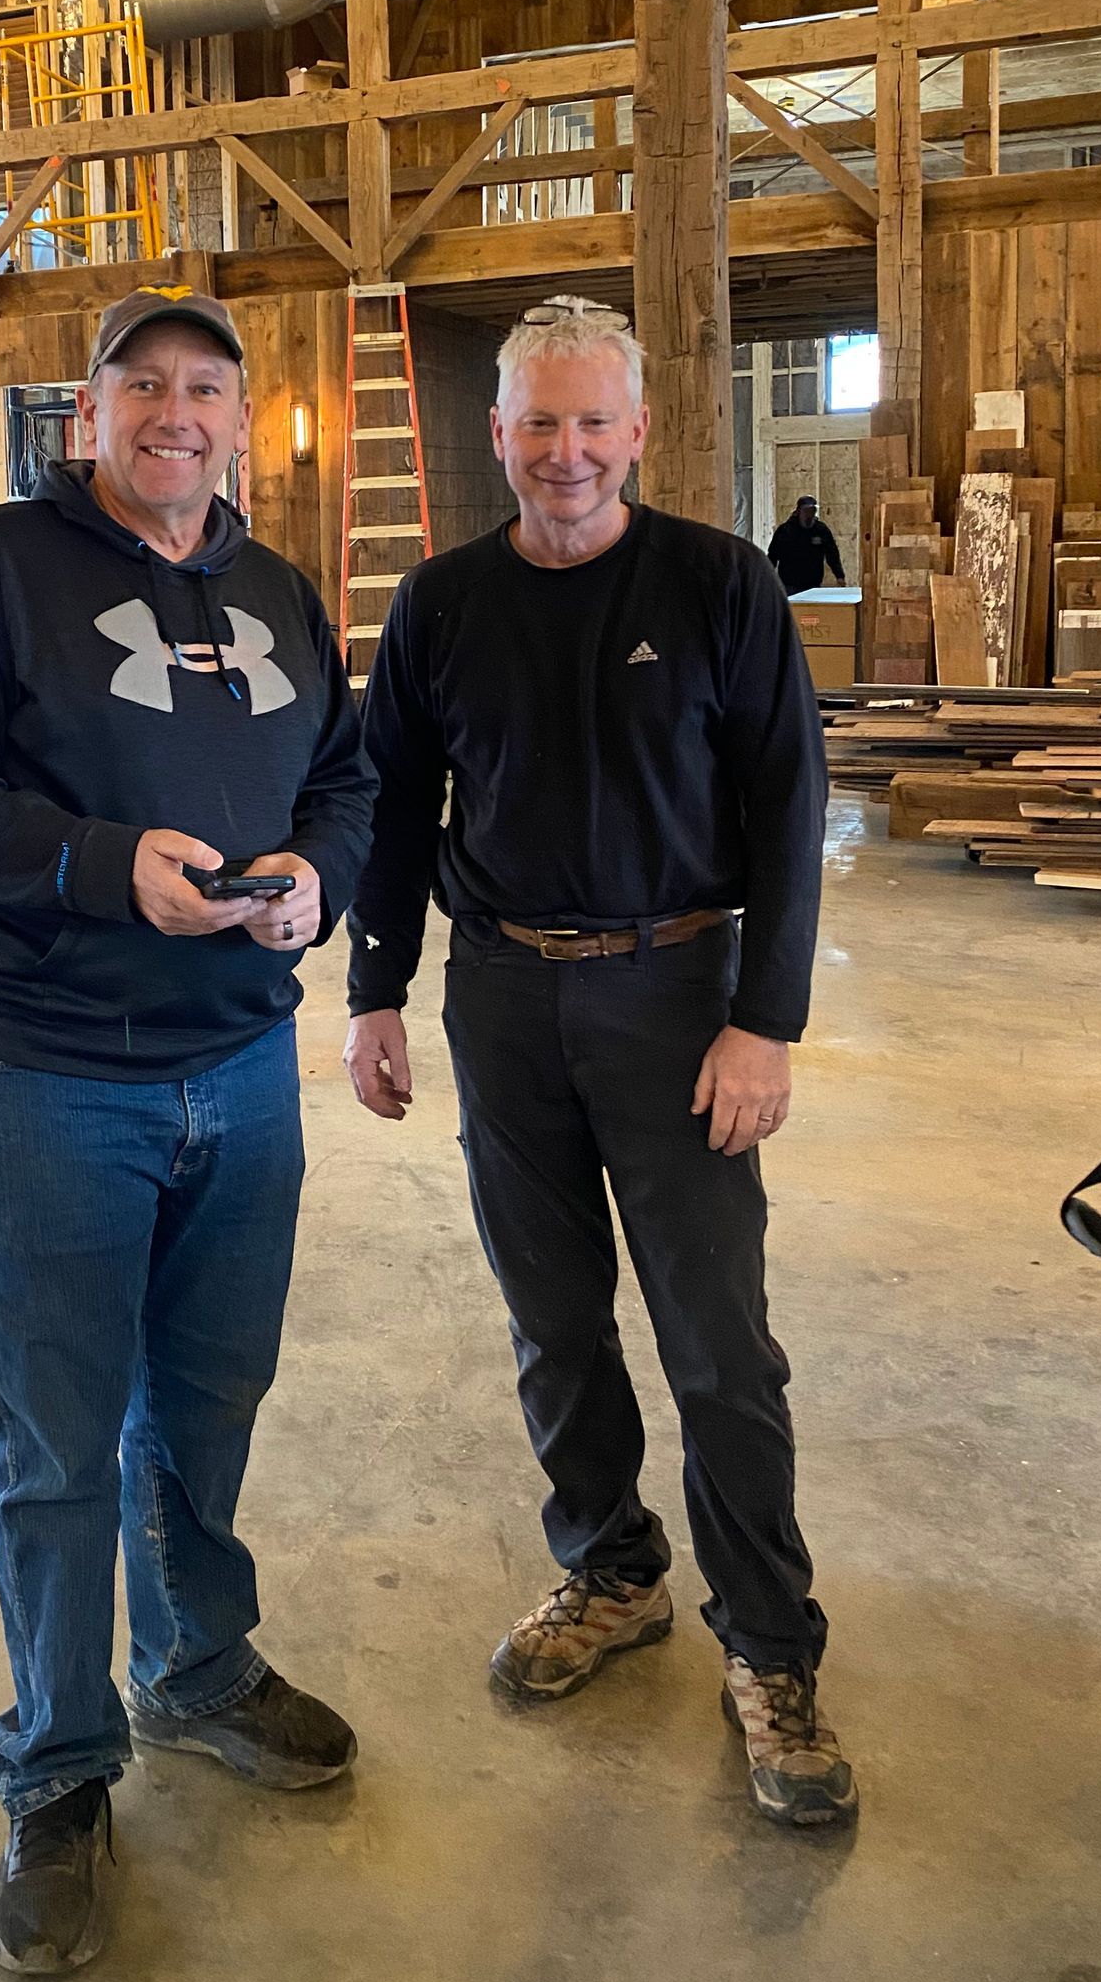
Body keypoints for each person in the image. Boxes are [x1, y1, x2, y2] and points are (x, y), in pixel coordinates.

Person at [0, 287, 377, 1972]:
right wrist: (106, 866)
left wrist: (317, 874)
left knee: (209, 1405)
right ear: (88, 416)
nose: (176, 411)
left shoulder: (280, 590)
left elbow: (349, 783)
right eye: (141, 385)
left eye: (206, 387)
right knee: (58, 1443)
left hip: (241, 1068)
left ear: (243, 418)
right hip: (47, 1074)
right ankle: (60, 1767)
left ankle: (197, 1669)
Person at [342, 303, 856, 1831]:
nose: (563, 451)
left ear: (637, 433)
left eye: (591, 423)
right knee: (553, 1318)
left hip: (677, 996)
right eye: (534, 424)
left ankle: (769, 1648)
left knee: (718, 1342)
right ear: (493, 437)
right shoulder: (439, 605)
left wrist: (766, 1020)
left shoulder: (718, 584)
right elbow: (389, 810)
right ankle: (614, 1569)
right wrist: (376, 991)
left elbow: (789, 804)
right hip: (503, 998)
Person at [767, 494, 846, 595]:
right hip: (789, 583)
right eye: (806, 511)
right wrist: (767, 576)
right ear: (799, 511)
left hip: (813, 583)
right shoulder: (785, 531)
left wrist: (839, 575)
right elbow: (773, 554)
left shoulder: (821, 530)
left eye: (812, 511)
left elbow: (832, 554)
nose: (809, 514)